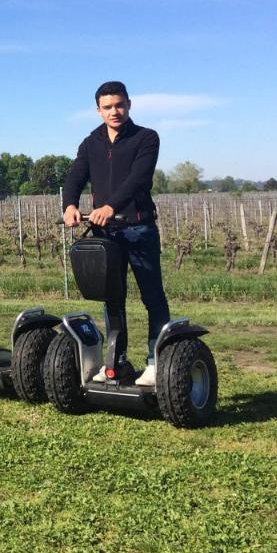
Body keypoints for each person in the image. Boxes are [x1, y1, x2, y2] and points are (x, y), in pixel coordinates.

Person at [62, 80, 169, 386]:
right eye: (107, 107)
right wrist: (70, 204)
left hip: (138, 228)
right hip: (105, 234)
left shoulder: (146, 138)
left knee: (152, 297)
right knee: (112, 298)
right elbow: (75, 176)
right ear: (98, 110)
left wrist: (111, 205)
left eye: (119, 105)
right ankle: (116, 362)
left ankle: (156, 362)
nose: (114, 112)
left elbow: (139, 179)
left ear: (129, 105)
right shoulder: (90, 142)